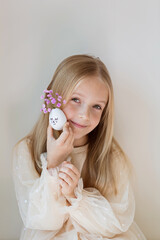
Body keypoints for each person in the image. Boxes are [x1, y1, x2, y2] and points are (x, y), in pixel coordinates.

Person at [12, 54, 147, 240]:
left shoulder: (111, 157)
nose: (85, 115)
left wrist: (75, 196)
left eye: (97, 107)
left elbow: (117, 222)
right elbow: (39, 219)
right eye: (76, 100)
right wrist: (53, 165)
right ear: (55, 99)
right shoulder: (26, 150)